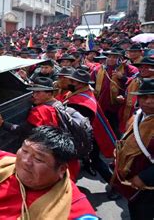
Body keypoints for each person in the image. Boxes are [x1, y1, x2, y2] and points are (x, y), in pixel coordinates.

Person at [0, 100, 96, 219]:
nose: (25, 161)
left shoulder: (72, 206)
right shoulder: (0, 162)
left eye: (38, 159)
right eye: (24, 150)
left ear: (62, 169)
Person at [62, 69, 119, 198]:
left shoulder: (80, 102)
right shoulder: (81, 93)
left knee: (95, 160)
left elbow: (77, 125)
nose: (69, 82)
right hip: (88, 133)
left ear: (80, 84)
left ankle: (115, 187)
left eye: (72, 81)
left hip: (89, 137)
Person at [111, 78, 154, 220]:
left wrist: (144, 177)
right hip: (132, 181)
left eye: (153, 97)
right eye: (144, 97)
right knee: (134, 209)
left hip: (149, 185)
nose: (148, 101)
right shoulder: (138, 115)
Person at [91, 49, 138, 137]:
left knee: (117, 130)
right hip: (101, 105)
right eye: (109, 57)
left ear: (121, 59)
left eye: (115, 57)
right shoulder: (98, 69)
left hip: (120, 106)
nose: (111, 59)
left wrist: (123, 77)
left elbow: (136, 83)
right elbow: (90, 83)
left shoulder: (130, 69)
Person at [119, 56, 154, 134]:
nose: (142, 69)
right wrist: (123, 98)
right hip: (131, 114)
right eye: (141, 67)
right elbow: (128, 94)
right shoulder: (135, 80)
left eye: (147, 67)